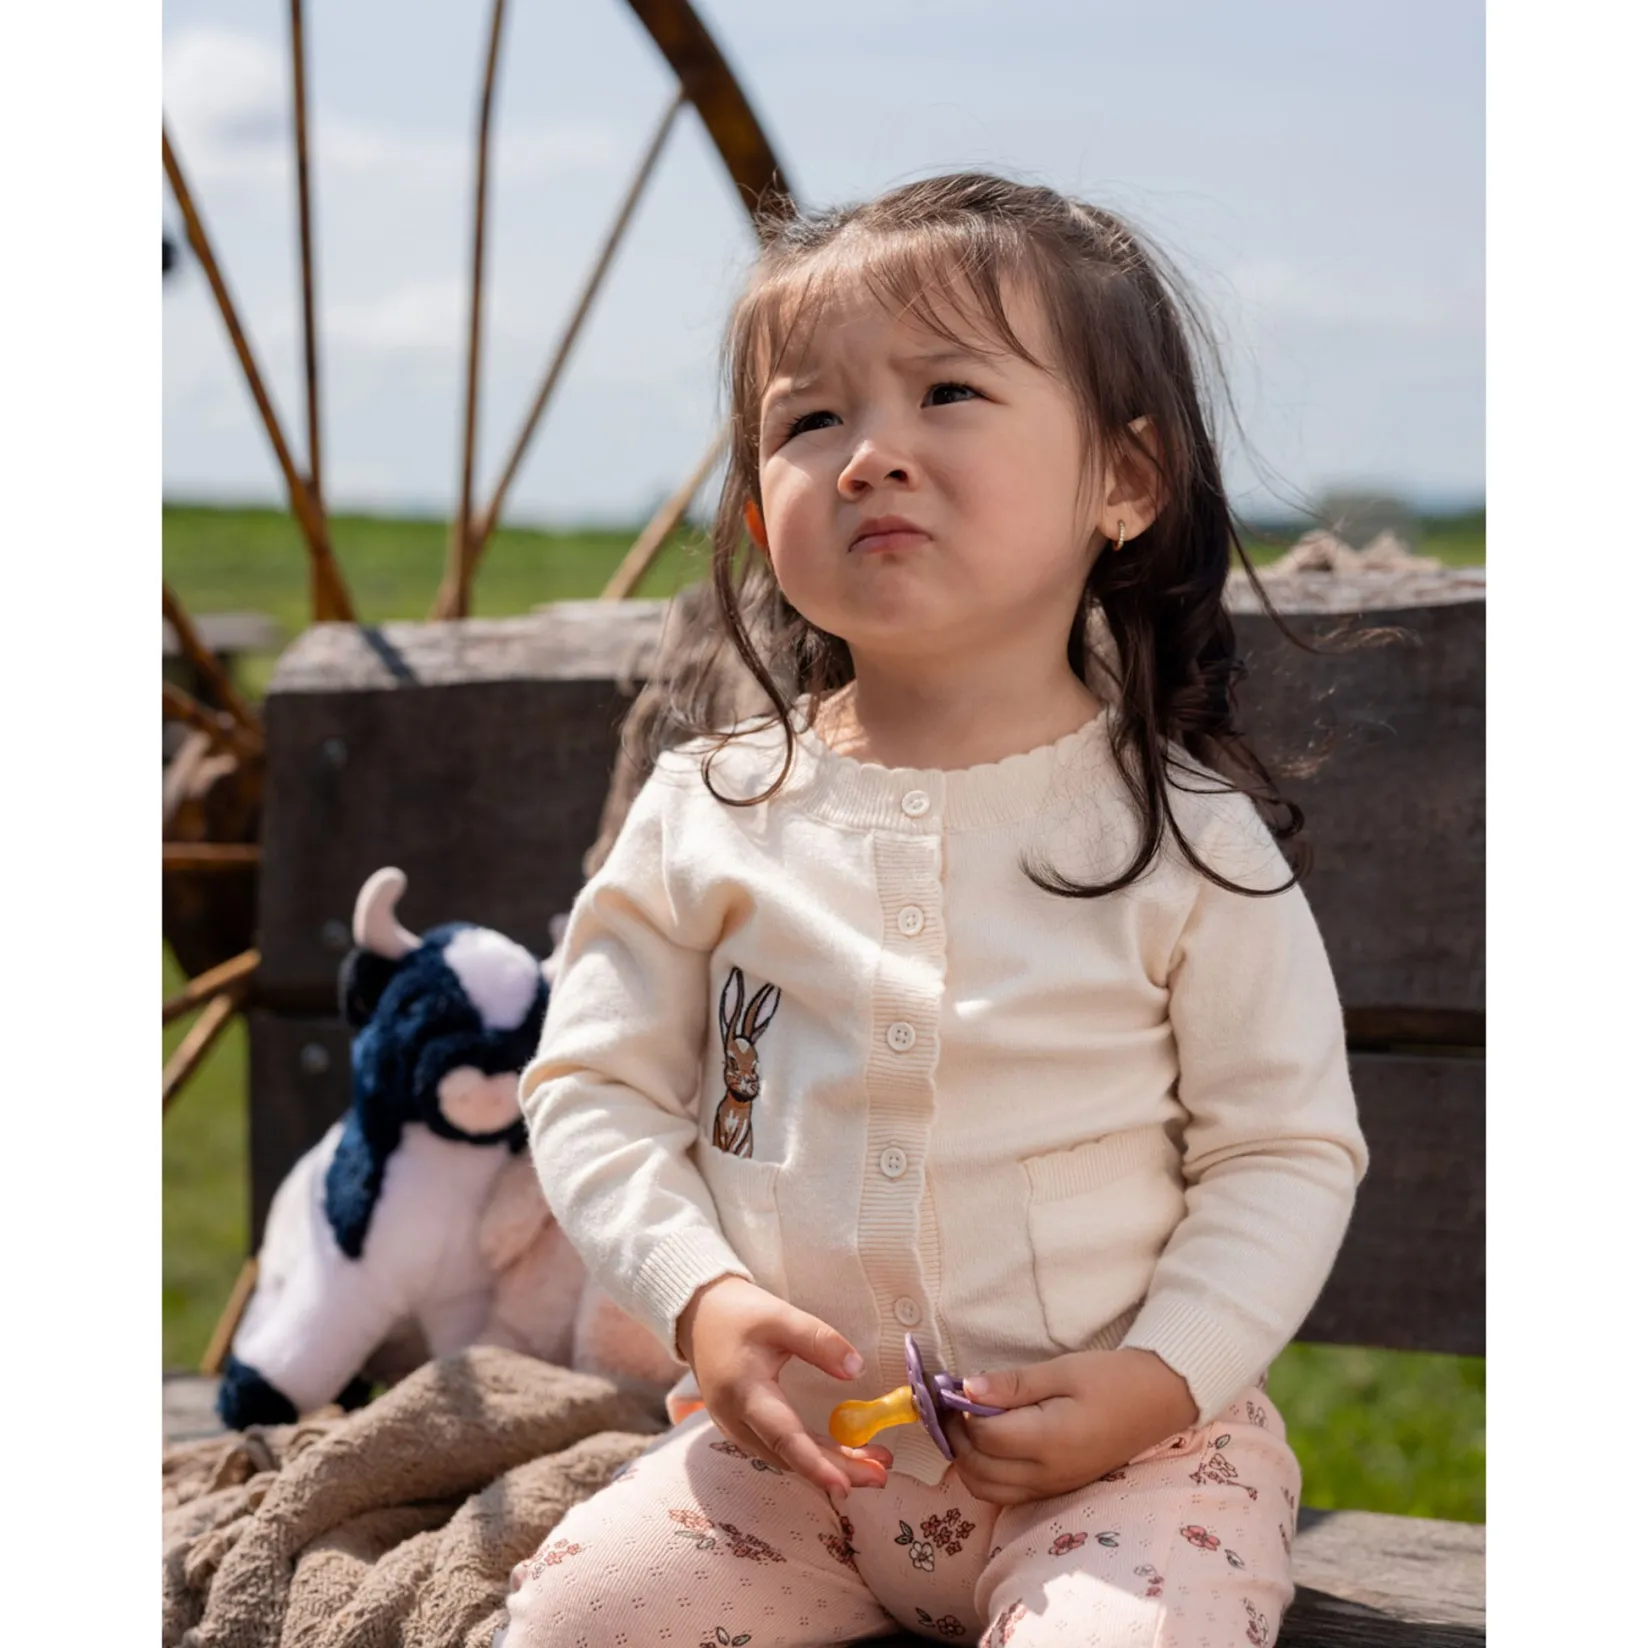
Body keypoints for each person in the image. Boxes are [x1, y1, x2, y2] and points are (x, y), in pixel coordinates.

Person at [502, 172, 1367, 1648]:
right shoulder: (711, 811)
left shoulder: (1183, 839)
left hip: (1132, 1466)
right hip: (794, 1458)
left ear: (1125, 481)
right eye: (809, 420)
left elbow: (1282, 1151)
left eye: (949, 391)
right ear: (757, 503)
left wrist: (1160, 1379)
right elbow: (594, 1087)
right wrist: (699, 1300)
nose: (869, 457)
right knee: (577, 1620)